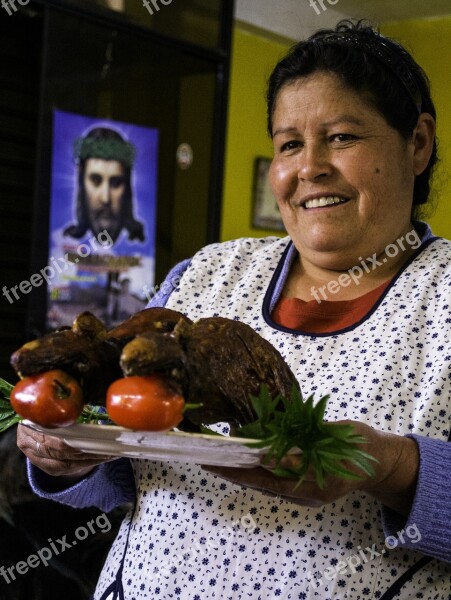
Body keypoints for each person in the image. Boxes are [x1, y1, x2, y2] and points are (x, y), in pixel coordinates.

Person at [17, 20, 451, 599]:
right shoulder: (205, 273)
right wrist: (67, 460)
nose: (309, 167)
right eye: (289, 143)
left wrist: (395, 469)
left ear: (417, 143)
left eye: (343, 137)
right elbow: (129, 467)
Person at [64, 126, 145, 245]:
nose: (105, 198)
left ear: (127, 187)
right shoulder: (64, 241)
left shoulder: (142, 246)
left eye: (116, 183)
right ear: (82, 182)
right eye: (96, 181)